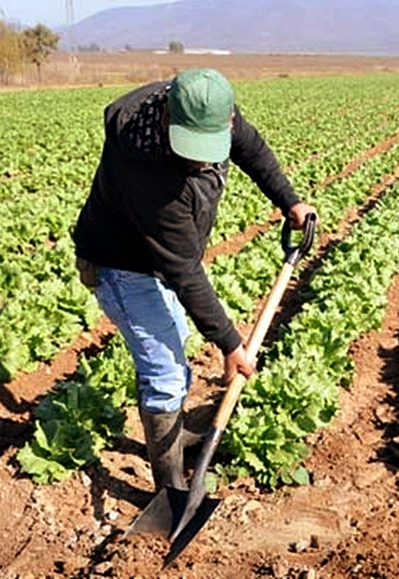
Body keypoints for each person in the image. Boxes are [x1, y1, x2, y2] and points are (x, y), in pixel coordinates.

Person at [71, 68, 316, 493]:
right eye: (193, 150)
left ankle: (176, 437)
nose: (203, 160)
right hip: (121, 265)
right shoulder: (145, 170)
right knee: (165, 372)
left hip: (156, 260)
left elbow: (252, 148)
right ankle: (170, 488)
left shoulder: (211, 106)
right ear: (168, 117)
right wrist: (230, 343)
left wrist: (289, 200)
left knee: (174, 343)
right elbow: (183, 269)